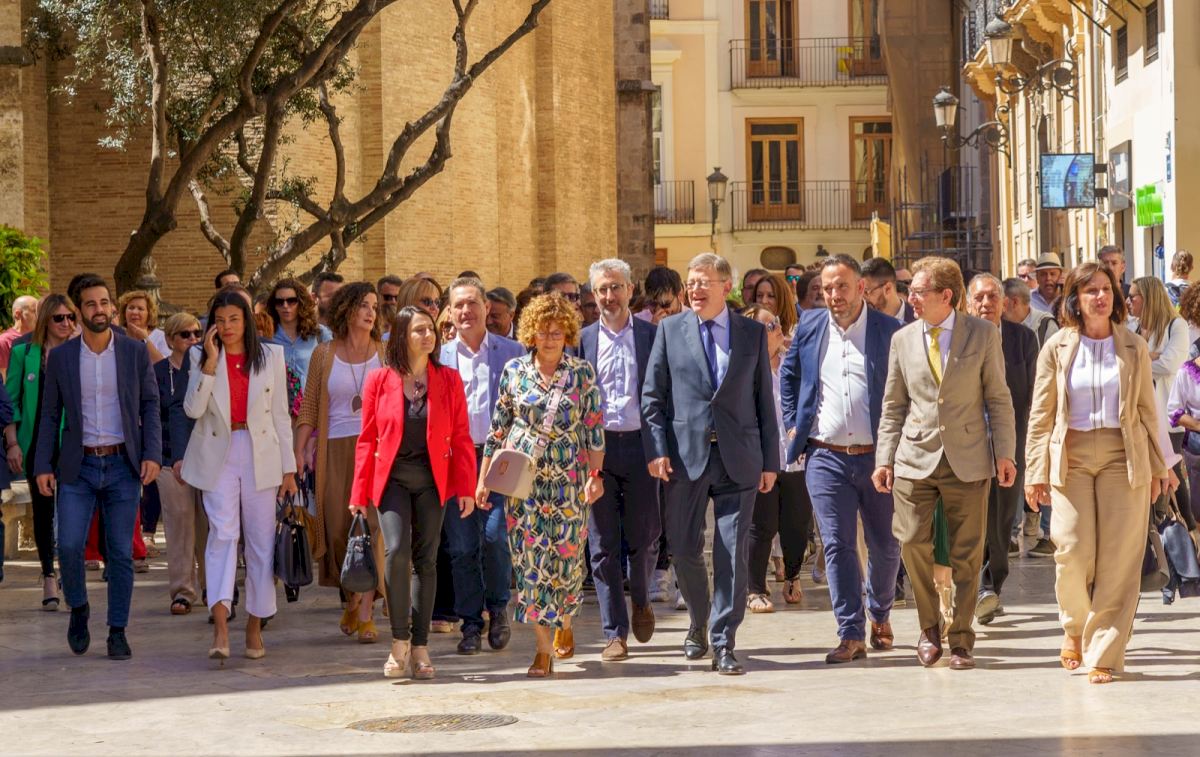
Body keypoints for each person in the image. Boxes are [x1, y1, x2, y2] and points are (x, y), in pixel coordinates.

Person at [1025, 262, 1170, 684]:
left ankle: (1104, 652)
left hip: (1122, 455)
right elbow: (1041, 413)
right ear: (1075, 298)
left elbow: (1148, 411)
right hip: (1070, 454)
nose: (1101, 297)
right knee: (1072, 548)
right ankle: (1074, 626)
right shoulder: (1057, 347)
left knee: (1120, 558)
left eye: (1106, 289)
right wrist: (1035, 470)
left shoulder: (1132, 345)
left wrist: (1161, 467)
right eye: (1091, 291)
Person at [872, 257, 1016, 671]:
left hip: (968, 457)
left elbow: (998, 397)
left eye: (918, 292)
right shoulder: (902, 339)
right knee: (911, 540)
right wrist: (884, 458)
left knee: (967, 554)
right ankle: (929, 627)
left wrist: (1004, 453)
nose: (911, 298)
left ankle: (962, 640)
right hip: (914, 456)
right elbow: (893, 405)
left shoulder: (982, 334)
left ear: (946, 296)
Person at [642, 252, 780, 676]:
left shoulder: (751, 333)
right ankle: (698, 622)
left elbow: (763, 400)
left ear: (726, 287)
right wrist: (657, 449)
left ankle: (723, 641)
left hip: (739, 457)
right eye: (691, 282)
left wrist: (770, 461)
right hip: (685, 458)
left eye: (704, 281)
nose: (695, 289)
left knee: (731, 553)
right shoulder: (670, 330)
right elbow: (652, 397)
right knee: (684, 549)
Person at [476, 293, 604, 678]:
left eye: (556, 332)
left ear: (568, 334)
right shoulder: (515, 371)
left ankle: (564, 619)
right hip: (525, 481)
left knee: (566, 560)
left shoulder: (581, 373)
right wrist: (484, 480)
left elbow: (594, 428)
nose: (549, 339)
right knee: (530, 563)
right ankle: (542, 648)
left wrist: (595, 477)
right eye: (542, 332)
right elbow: (498, 428)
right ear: (530, 333)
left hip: (569, 480)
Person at [34, 275, 162, 660]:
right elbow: (49, 413)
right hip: (79, 466)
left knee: (120, 552)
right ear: (78, 311)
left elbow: (150, 405)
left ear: (112, 306)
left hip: (123, 464)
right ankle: (79, 606)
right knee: (69, 544)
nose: (100, 309)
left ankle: (117, 630)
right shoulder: (62, 357)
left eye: (105, 302)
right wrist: (42, 464)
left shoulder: (133, 351)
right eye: (91, 303)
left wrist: (152, 454)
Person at [780, 255, 900, 663]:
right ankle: (850, 632)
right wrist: (793, 423)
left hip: (879, 458)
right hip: (825, 455)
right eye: (827, 288)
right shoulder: (810, 327)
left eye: (842, 286)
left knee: (886, 545)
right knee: (837, 545)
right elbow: (790, 375)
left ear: (861, 288)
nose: (834, 295)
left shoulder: (889, 330)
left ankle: (879, 611)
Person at [350, 305, 477, 679]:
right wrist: (358, 493)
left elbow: (462, 436)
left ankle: (420, 647)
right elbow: (367, 438)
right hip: (391, 479)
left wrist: (465, 486)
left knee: (426, 559)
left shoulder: (448, 379)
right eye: (419, 330)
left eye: (431, 329)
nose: (428, 336)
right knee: (395, 551)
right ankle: (399, 642)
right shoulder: (379, 380)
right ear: (403, 336)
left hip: (432, 480)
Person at [182, 289, 297, 661]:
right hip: (218, 452)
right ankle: (220, 625)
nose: (227, 326)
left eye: (234, 319)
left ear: (246, 320)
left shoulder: (271, 356)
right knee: (223, 534)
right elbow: (192, 409)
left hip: (261, 453)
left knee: (261, 542)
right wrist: (210, 363)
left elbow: (280, 415)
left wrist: (289, 468)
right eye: (220, 320)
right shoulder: (200, 356)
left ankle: (254, 624)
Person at [295, 283, 387, 642]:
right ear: (347, 309)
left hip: (376, 450)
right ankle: (351, 598)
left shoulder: (384, 353)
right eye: (363, 305)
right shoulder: (324, 354)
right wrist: (298, 453)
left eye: (374, 306)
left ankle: (366, 613)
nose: (370, 312)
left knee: (372, 527)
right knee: (338, 530)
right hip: (333, 450)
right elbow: (309, 407)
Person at [578, 259, 660, 661]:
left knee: (644, 539)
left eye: (615, 288)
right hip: (599, 450)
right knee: (602, 544)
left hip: (642, 448)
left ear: (629, 290)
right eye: (601, 290)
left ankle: (641, 598)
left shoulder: (652, 336)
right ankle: (614, 632)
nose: (609, 297)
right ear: (593, 296)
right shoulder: (582, 341)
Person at [438, 278, 525, 655]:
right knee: (461, 547)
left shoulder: (512, 351)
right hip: (456, 463)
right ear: (450, 311)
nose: (466, 311)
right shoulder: (439, 357)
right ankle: (471, 623)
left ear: (487, 307)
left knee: (495, 538)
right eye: (458, 305)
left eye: (472, 303)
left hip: (500, 460)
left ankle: (498, 608)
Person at [964, 274, 1037, 624]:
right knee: (974, 520)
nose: (986, 304)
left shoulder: (1023, 339)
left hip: (1010, 445)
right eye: (979, 298)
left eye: (992, 297)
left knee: (1002, 521)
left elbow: (1033, 395)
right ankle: (982, 589)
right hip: (967, 447)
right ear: (967, 304)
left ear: (1005, 303)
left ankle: (992, 585)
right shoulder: (959, 339)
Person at [4, 294, 77, 607]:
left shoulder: (81, 351)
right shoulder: (24, 351)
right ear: (46, 319)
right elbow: (10, 401)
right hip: (37, 443)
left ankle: (71, 575)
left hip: (73, 441)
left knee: (72, 511)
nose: (66, 323)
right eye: (59, 318)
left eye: (70, 317)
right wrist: (13, 442)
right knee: (44, 512)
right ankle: (48, 575)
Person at [743, 303, 812, 615]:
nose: (779, 328)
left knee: (797, 524)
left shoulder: (792, 365)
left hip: (795, 457)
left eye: (778, 322)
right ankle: (755, 588)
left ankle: (793, 576)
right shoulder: (746, 370)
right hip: (762, 459)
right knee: (762, 525)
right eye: (770, 326)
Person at [153, 313, 208, 616]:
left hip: (207, 456)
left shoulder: (208, 367)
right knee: (180, 523)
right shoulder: (157, 373)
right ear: (170, 339)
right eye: (185, 335)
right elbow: (151, 416)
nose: (193, 339)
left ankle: (213, 588)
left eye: (197, 333)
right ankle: (183, 591)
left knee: (208, 525)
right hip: (168, 458)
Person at [1128, 276, 1191, 524]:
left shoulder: (1176, 325)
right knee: (1157, 474)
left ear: (1148, 298)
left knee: (1171, 473)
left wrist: (1141, 361)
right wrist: (1151, 356)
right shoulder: (1133, 328)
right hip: (1141, 415)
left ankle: (1182, 526)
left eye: (1133, 296)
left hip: (1167, 415)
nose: (1128, 301)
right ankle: (1164, 525)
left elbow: (1170, 364)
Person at [267, 278, 331, 418]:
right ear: (274, 305)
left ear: (300, 302)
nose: (285, 306)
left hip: (312, 410)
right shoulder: (268, 336)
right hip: (278, 411)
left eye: (291, 301)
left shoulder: (319, 334)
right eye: (279, 302)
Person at [1003, 277, 1058, 348]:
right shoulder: (999, 325)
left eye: (1003, 303)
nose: (1000, 308)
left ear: (1015, 302)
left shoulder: (1046, 326)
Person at [116, 291, 166, 362]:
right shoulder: (117, 336)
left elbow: (164, 365)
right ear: (124, 312)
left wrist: (146, 340)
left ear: (149, 313)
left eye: (140, 309)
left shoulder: (160, 336)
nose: (134, 312)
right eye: (131, 308)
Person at [861, 258, 915, 324]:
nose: (863, 298)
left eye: (866, 292)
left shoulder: (919, 318)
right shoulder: (863, 324)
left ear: (887, 289)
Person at [0, 295, 38, 379]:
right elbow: (4, 378)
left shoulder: (40, 338)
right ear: (18, 314)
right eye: (34, 311)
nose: (39, 316)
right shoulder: (4, 341)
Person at [752, 273, 798, 338]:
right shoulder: (747, 328)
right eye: (759, 295)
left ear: (783, 299)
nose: (763, 301)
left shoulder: (797, 334)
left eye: (771, 296)